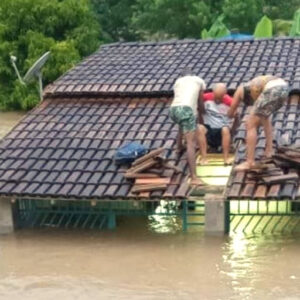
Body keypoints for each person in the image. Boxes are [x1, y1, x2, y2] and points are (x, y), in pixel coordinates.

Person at [227, 75, 289, 171]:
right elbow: (262, 117)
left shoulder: (240, 89)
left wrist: (229, 115)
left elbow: (232, 110)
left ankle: (249, 162)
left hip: (272, 90)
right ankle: (269, 151)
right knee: (265, 118)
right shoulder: (256, 90)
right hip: (284, 89)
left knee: (250, 124)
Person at [169, 69, 206, 186]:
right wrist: (203, 113)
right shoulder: (199, 81)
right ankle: (194, 177)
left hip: (173, 110)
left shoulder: (178, 82)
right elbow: (200, 102)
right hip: (187, 109)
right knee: (191, 143)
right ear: (192, 75)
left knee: (182, 124)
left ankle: (178, 147)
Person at [198, 83, 233, 165]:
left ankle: (226, 158)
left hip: (221, 130)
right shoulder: (205, 98)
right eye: (216, 97)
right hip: (208, 129)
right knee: (199, 128)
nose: (217, 100)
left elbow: (236, 117)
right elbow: (199, 110)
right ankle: (204, 158)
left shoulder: (230, 102)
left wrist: (232, 131)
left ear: (225, 94)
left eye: (220, 98)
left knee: (225, 129)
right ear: (213, 93)